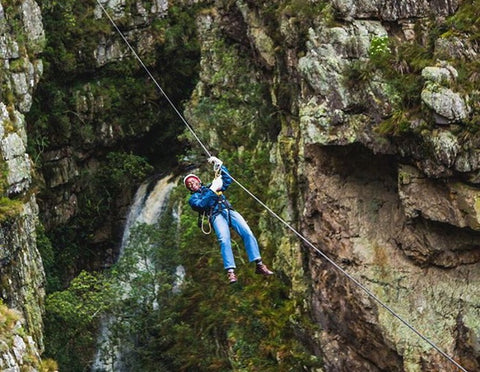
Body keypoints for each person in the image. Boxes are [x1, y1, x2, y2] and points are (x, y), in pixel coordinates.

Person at [184, 156, 273, 284]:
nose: (192, 185)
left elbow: (226, 180)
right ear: (189, 189)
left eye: (193, 181)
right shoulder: (193, 199)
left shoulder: (212, 186)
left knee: (247, 232)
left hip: (229, 211)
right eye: (189, 185)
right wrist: (213, 190)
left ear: (198, 181)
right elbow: (202, 205)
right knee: (224, 239)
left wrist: (220, 165)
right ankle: (231, 272)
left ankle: (259, 264)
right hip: (216, 216)